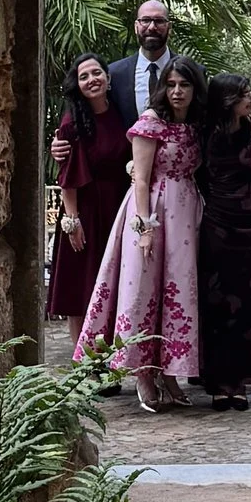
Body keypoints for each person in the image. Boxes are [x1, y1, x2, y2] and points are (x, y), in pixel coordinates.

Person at [78, 54, 205, 411]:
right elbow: (142, 180)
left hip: (184, 213)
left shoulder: (195, 125)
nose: (177, 91)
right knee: (142, 290)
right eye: (171, 84)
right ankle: (141, 374)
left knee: (177, 291)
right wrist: (145, 228)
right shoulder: (150, 122)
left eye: (184, 85)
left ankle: (171, 372)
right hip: (151, 209)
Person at [45, 55, 132, 354]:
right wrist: (72, 222)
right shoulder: (72, 121)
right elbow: (67, 176)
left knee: (112, 284)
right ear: (78, 85)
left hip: (117, 209)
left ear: (108, 78)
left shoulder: (121, 114)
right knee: (80, 287)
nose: (92, 80)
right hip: (83, 211)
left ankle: (109, 355)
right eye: (84, 76)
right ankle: (84, 359)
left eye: (97, 73)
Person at [196, 73, 251, 407]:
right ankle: (218, 381)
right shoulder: (203, 134)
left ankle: (240, 381)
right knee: (217, 303)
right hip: (216, 225)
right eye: (243, 94)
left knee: (249, 304)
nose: (250, 98)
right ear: (226, 100)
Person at [106, 0, 176, 122]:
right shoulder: (114, 74)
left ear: (169, 27)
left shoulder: (192, 72)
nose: (152, 27)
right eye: (145, 20)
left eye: (159, 21)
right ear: (136, 26)